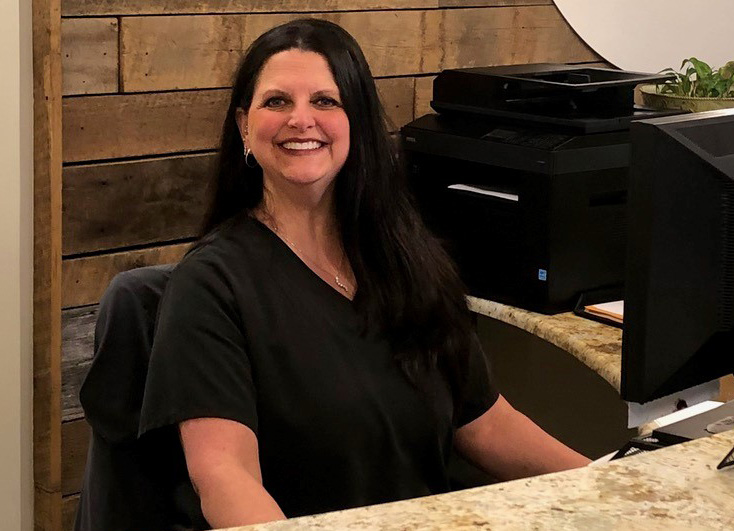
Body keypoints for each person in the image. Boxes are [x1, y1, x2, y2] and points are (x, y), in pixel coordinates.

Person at [139, 18, 590, 530]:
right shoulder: (211, 285)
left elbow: (485, 425)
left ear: (356, 121)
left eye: (326, 102)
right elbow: (225, 476)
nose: (300, 120)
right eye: (277, 101)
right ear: (245, 126)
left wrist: (610, 484)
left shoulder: (405, 257)